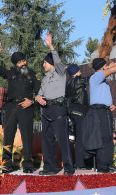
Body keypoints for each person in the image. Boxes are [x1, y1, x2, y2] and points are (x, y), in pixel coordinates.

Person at [0, 41, 40, 173]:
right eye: (19, 62)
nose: (23, 64)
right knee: (8, 135)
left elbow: (41, 92)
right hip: (11, 106)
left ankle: (28, 164)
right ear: (15, 65)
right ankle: (6, 164)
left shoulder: (33, 74)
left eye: (24, 61)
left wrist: (32, 101)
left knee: (27, 136)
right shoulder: (10, 72)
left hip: (26, 107)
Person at [81, 56, 116, 173]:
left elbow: (108, 71)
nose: (108, 66)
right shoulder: (96, 76)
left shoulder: (100, 79)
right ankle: (103, 166)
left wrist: (109, 105)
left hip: (105, 110)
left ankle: (108, 163)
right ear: (102, 67)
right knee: (103, 138)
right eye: (106, 65)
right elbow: (110, 71)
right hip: (99, 112)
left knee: (108, 137)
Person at [35, 32, 74, 175]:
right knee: (47, 141)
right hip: (46, 110)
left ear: (50, 63)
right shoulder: (45, 78)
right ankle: (49, 167)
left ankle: (69, 168)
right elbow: (39, 93)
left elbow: (57, 61)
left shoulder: (60, 72)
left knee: (63, 140)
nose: (43, 64)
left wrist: (51, 46)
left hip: (58, 109)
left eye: (45, 62)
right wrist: (37, 98)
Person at [65, 63, 90, 169]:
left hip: (72, 112)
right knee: (81, 138)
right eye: (79, 70)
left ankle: (78, 162)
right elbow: (90, 79)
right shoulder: (77, 80)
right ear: (74, 72)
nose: (81, 72)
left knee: (77, 138)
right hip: (80, 112)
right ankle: (81, 164)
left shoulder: (68, 83)